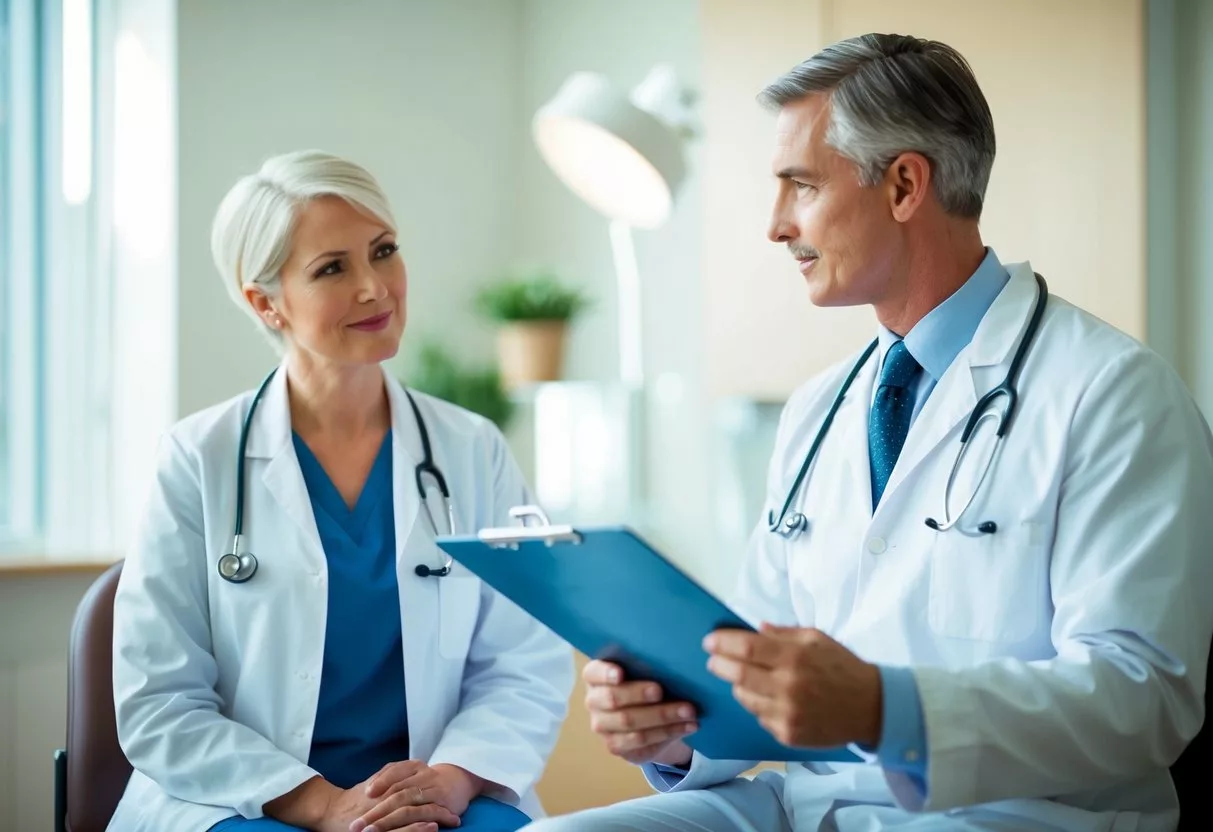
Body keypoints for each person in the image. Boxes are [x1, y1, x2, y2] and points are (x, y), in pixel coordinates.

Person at [522, 32, 1213, 832]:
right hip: (801, 804)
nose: (775, 226)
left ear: (904, 185)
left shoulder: (1113, 395)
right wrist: (675, 727)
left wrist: (890, 708)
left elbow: (1142, 697)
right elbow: (757, 656)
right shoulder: (819, 409)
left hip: (1011, 816)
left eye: (799, 186)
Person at [110, 150, 573, 832]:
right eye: (333, 268)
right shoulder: (198, 459)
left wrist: (450, 779)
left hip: (433, 798)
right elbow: (159, 701)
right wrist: (322, 804)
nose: (374, 288)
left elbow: (524, 659)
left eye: (383, 251)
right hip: (248, 799)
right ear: (263, 301)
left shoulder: (470, 450)